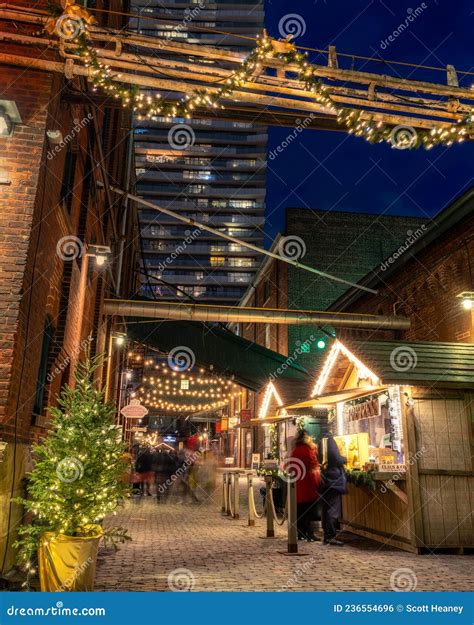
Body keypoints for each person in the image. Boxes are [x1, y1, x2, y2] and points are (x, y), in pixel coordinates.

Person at [288, 429, 321, 542]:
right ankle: (310, 533)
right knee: (310, 510)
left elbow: (290, 467)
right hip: (309, 483)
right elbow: (314, 464)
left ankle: (300, 532)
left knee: (300, 510)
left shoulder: (295, 450)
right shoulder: (309, 450)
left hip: (298, 484)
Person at [320, 430, 347, 546]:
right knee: (333, 509)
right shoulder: (330, 441)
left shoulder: (321, 442)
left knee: (326, 508)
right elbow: (336, 458)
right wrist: (344, 459)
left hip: (326, 480)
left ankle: (327, 535)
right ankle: (330, 536)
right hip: (333, 480)